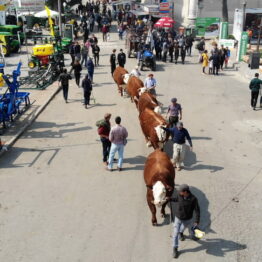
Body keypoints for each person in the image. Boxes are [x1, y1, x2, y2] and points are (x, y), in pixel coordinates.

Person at [168, 184, 200, 259]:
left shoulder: (193, 199)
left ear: (185, 192)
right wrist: (170, 199)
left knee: (182, 229)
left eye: (180, 191)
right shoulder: (180, 195)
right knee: (175, 233)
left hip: (187, 219)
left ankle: (183, 234)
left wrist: (197, 220)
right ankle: (175, 248)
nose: (179, 193)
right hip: (178, 218)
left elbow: (197, 210)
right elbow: (176, 199)